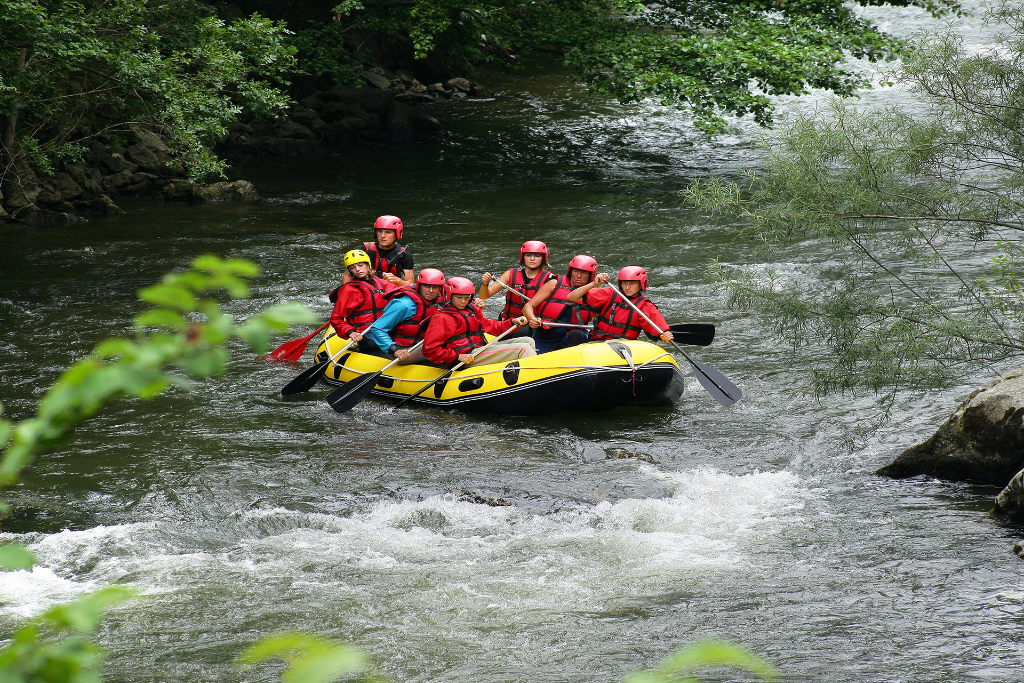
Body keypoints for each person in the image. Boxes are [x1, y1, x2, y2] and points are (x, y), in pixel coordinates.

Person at [423, 277, 537, 367]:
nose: (463, 301)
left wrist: (512, 322)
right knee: (523, 349)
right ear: (450, 296)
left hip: (479, 350)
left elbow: (493, 327)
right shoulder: (441, 317)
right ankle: (535, 378)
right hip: (465, 357)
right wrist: (457, 356)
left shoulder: (472, 309)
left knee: (528, 341)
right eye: (459, 297)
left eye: (466, 297)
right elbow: (429, 350)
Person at [567, 266, 674, 344]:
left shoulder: (645, 306)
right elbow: (571, 297)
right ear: (620, 283)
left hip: (623, 346)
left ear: (641, 284)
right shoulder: (609, 294)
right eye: (625, 283)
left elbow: (661, 332)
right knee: (575, 334)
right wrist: (594, 283)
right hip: (597, 342)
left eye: (632, 283)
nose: (627, 287)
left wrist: (665, 336)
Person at [367, 267, 446, 364]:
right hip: (404, 350)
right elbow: (377, 328)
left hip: (424, 343)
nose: (431, 291)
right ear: (419, 286)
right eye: (426, 286)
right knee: (450, 347)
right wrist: (394, 350)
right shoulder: (405, 304)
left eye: (435, 287)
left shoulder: (442, 300)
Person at [478, 240, 555, 338]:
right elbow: (484, 295)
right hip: (511, 323)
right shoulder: (510, 274)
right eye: (528, 255)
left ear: (543, 259)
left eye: (537, 256)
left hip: (533, 324)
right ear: (523, 257)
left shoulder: (550, 279)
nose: (532, 259)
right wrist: (485, 284)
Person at [524, 254, 598, 353]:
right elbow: (528, 306)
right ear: (570, 271)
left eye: (584, 273)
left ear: (590, 275)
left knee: (576, 335)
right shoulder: (554, 284)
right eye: (575, 271)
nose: (578, 276)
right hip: (547, 334)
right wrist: (531, 319)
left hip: (575, 337)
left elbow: (601, 320)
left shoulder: (595, 294)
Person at [329, 249, 398, 354]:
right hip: (366, 335)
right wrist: (350, 332)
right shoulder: (349, 290)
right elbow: (336, 319)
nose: (357, 269)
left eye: (361, 265)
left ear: (368, 265)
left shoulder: (384, 284)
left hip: (387, 331)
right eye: (352, 267)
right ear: (349, 271)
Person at [364, 215, 414, 286]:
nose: (382, 236)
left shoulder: (405, 255)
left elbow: (410, 284)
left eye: (388, 232)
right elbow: (348, 278)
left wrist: (397, 281)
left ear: (396, 234)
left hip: (390, 290)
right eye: (380, 231)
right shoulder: (363, 250)